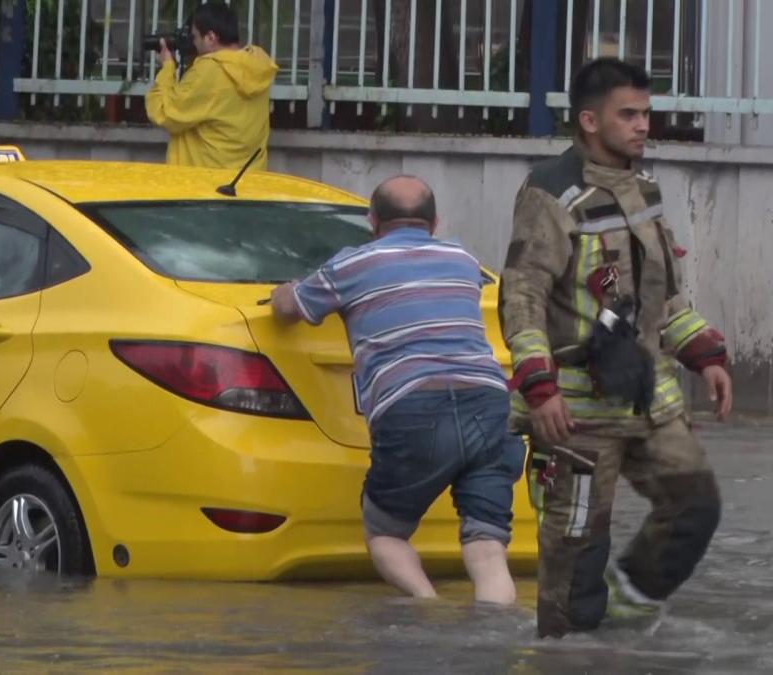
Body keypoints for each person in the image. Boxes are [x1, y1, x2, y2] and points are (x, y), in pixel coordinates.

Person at [500, 58, 732, 639]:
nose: (642, 125)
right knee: (575, 566)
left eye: (645, 114)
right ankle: (569, 651)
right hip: (574, 416)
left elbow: (662, 296)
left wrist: (705, 354)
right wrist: (539, 385)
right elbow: (522, 295)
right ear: (588, 120)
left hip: (648, 397)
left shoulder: (644, 189)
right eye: (627, 114)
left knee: (696, 506)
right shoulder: (549, 193)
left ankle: (628, 608)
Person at [270, 176, 524, 605]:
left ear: (373, 221)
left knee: (385, 532)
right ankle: (494, 642)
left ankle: (424, 607)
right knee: (487, 548)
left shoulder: (352, 266)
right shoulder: (462, 258)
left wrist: (284, 289)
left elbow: (288, 309)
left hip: (412, 407)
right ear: (435, 221)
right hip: (490, 403)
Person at [144, 1, 278, 171]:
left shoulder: (209, 71)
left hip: (206, 185)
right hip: (246, 184)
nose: (193, 43)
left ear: (211, 38)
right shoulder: (256, 66)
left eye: (194, 37)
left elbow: (164, 112)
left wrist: (167, 67)